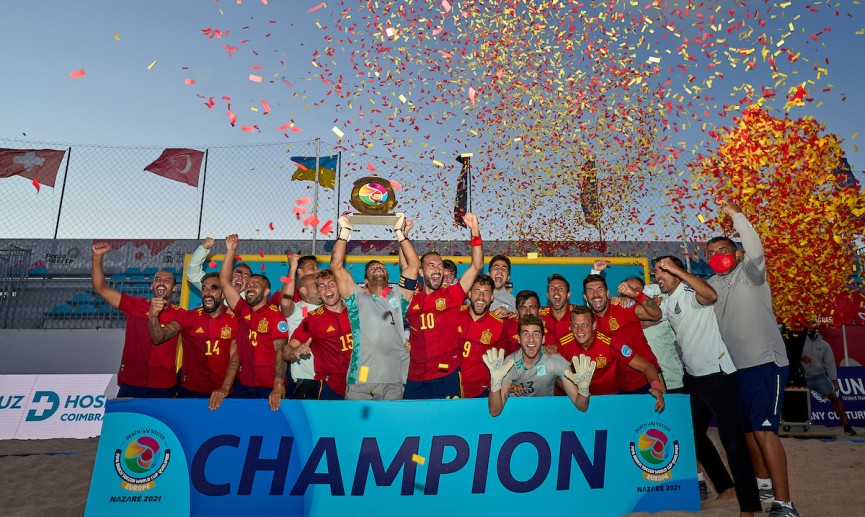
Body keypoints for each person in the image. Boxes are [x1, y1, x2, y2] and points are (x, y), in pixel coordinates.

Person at [706, 202, 798, 517]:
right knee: (747, 433)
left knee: (763, 431)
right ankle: (764, 487)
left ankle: (785, 505)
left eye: (722, 249)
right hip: (735, 371)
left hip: (764, 364)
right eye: (710, 253)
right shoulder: (712, 287)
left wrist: (736, 216)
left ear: (737, 253)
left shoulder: (751, 274)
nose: (716, 255)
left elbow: (756, 248)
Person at [654, 256, 762, 516]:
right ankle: (726, 486)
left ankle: (748, 507)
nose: (659, 276)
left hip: (718, 376)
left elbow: (710, 295)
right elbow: (648, 315)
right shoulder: (666, 299)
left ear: (677, 272)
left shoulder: (690, 291)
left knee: (733, 442)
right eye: (657, 272)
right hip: (692, 378)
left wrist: (678, 270)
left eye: (664, 271)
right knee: (692, 434)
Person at [331, 213, 417, 400]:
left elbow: (413, 265)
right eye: (372, 268)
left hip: (394, 378)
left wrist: (399, 232)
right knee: (358, 428)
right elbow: (336, 266)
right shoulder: (355, 297)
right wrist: (345, 232)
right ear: (365, 281)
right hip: (361, 380)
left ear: (388, 276)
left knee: (389, 429)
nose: (378, 268)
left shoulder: (399, 297)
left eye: (382, 267)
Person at [404, 213, 483, 399]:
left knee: (449, 428)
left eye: (440, 266)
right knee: (414, 427)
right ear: (421, 272)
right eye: (431, 266)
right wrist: (403, 236)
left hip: (446, 376)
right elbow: (405, 265)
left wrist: (475, 232)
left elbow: (477, 266)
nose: (437, 269)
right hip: (415, 377)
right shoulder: (410, 298)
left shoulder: (452, 294)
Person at [91, 242, 180, 398]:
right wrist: (97, 257)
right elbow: (100, 288)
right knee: (126, 423)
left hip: (163, 385)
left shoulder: (180, 315)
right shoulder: (135, 306)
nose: (161, 282)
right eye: (158, 279)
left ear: (174, 288)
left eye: (167, 280)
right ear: (152, 285)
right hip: (131, 383)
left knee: (158, 424)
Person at [147, 272, 239, 410]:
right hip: (190, 392)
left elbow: (235, 357)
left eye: (213, 288)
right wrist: (153, 317)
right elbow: (158, 338)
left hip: (223, 393)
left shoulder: (235, 320)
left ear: (224, 293)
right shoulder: (188, 317)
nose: (207, 292)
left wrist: (225, 387)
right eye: (204, 288)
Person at [220, 234, 289, 411]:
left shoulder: (276, 316)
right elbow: (225, 283)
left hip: (268, 387)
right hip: (244, 384)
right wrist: (231, 251)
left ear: (266, 292)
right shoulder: (242, 309)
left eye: (255, 285)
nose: (250, 287)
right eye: (249, 285)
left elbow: (280, 353)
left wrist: (277, 386)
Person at [485, 314, 593, 416]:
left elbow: (582, 406)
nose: (531, 339)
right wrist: (495, 382)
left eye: (536, 334)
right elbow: (495, 411)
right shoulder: (509, 364)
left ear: (543, 339)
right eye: (526, 334)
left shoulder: (555, 361)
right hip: (515, 416)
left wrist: (583, 388)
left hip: (545, 417)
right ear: (518, 339)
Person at [563, 306, 664, 412]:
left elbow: (646, 366)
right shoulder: (563, 344)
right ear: (570, 326)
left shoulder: (609, 343)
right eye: (575, 325)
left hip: (612, 399)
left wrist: (656, 387)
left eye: (584, 325)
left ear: (594, 325)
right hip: (582, 400)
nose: (579, 330)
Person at [583, 268, 662, 394]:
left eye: (600, 290)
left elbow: (657, 314)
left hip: (648, 378)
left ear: (607, 292)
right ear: (585, 297)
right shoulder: (588, 322)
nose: (596, 295)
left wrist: (636, 295)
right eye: (590, 291)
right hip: (621, 386)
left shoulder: (623, 306)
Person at [281, 269, 354, 400]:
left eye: (331, 284)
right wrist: (295, 351)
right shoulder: (313, 320)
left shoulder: (356, 310)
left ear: (340, 287)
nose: (327, 288)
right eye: (321, 286)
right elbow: (286, 352)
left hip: (360, 384)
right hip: (330, 387)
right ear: (319, 294)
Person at [624, 276, 685, 393]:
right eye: (628, 290)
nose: (632, 293)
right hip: (642, 384)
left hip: (671, 380)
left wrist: (647, 300)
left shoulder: (661, 306)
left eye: (637, 290)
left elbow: (657, 314)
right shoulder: (623, 315)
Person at [456, 274, 510, 398]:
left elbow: (500, 362)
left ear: (492, 297)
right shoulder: (455, 314)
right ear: (469, 294)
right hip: (451, 386)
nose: (481, 297)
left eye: (486, 293)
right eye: (477, 291)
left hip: (480, 391)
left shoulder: (499, 325)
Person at [802, 325, 857, 436]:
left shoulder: (824, 345)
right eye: (811, 327)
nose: (813, 329)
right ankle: (800, 423)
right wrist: (800, 357)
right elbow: (790, 354)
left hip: (819, 376)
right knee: (797, 399)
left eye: (815, 327)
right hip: (802, 377)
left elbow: (830, 363)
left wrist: (834, 379)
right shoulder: (800, 341)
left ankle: (847, 426)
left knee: (833, 397)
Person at [279, 268, 322, 399]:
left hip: (330, 379)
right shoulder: (297, 310)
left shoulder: (332, 308)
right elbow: (285, 301)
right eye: (316, 285)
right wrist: (292, 268)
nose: (321, 287)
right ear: (303, 290)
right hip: (306, 379)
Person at [185, 236, 252, 295]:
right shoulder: (215, 287)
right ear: (229, 276)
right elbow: (193, 274)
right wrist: (203, 248)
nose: (240, 278)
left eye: (245, 276)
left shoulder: (253, 300)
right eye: (237, 274)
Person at [540, 274, 577, 350]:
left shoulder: (578, 314)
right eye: (552, 288)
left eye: (560, 288)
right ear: (548, 295)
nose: (556, 291)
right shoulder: (539, 314)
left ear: (568, 295)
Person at [502, 290, 542, 355]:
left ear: (539, 311)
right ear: (517, 312)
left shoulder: (548, 327)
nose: (528, 312)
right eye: (523, 308)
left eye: (532, 307)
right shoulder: (506, 326)